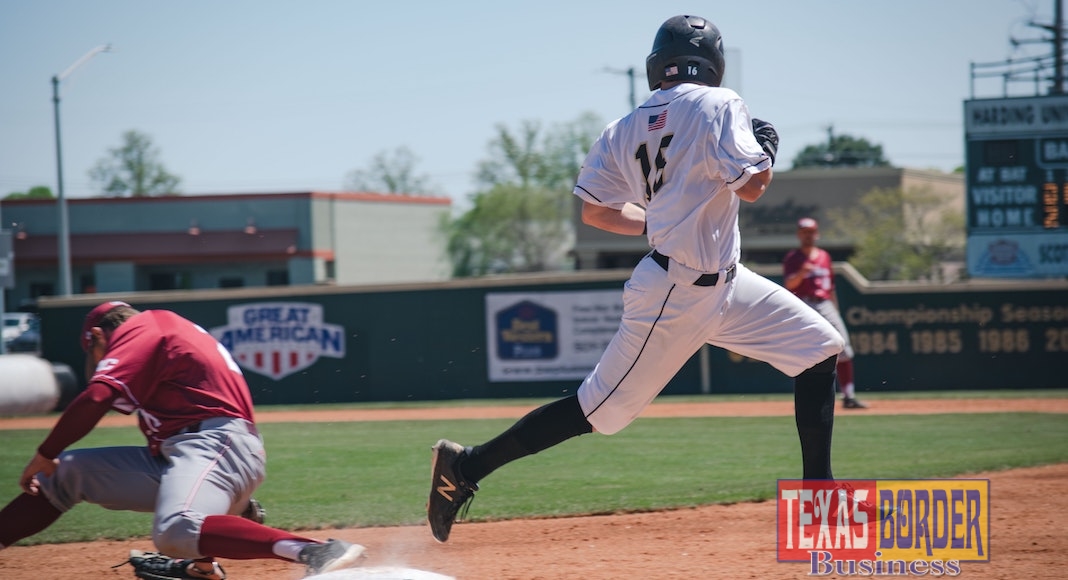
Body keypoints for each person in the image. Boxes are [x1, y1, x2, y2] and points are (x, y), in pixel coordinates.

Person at [427, 14, 850, 543]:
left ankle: (819, 499)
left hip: (724, 282)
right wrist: (767, 150)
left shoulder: (622, 127)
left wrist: (664, 216)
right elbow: (754, 186)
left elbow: (597, 213)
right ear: (713, 64)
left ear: (658, 65)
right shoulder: (721, 102)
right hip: (675, 293)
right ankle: (465, 467)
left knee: (818, 346)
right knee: (601, 410)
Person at [0, 301, 365, 579]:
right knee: (67, 473)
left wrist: (45, 452)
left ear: (96, 337)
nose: (102, 360)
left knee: (175, 529)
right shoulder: (160, 339)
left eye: (96, 352)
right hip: (189, 453)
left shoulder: (145, 327)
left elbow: (98, 397)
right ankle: (203, 564)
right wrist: (54, 463)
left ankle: (316, 551)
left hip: (217, 446)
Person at [783, 217, 869, 409]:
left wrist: (835, 309)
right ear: (799, 235)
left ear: (817, 233)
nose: (808, 235)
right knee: (805, 350)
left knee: (843, 346)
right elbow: (789, 285)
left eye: (811, 232)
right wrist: (801, 273)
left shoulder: (824, 256)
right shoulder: (793, 258)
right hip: (803, 303)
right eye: (804, 232)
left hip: (825, 303)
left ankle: (849, 396)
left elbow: (830, 288)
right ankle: (807, 397)